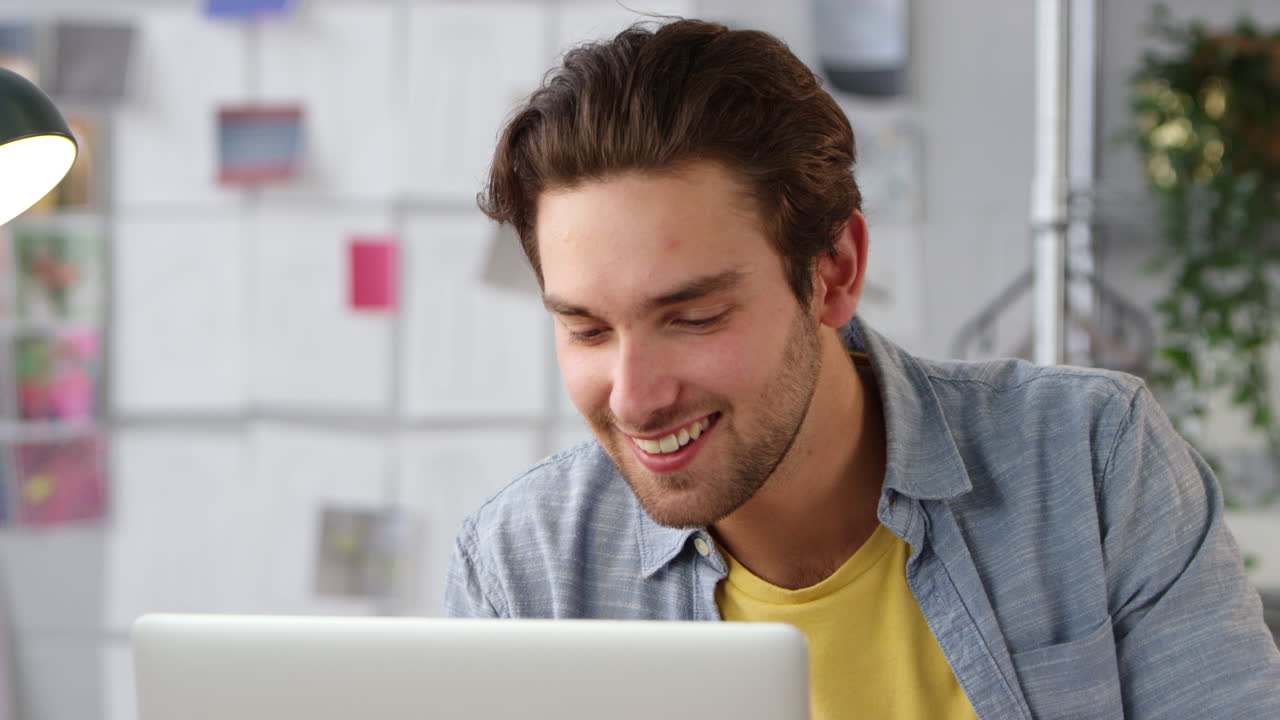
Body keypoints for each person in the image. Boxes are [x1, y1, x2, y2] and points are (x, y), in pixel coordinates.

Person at [444, 18, 1280, 719]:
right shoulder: (525, 566)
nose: (635, 397)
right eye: (587, 331)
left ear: (834, 272)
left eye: (692, 318)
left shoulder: (1093, 462)